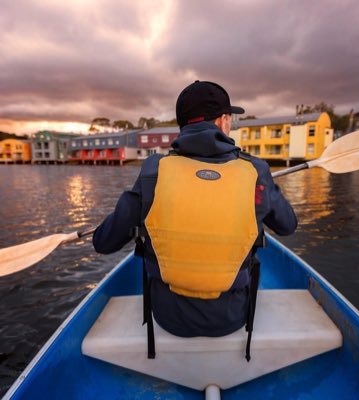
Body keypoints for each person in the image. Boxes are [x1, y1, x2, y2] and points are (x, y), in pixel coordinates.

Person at [93, 80, 297, 359]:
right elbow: (288, 225)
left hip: (168, 318)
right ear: (223, 121)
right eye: (230, 118)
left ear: (183, 126)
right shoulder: (256, 171)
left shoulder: (153, 171)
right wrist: (267, 186)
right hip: (232, 318)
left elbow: (104, 242)